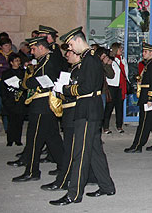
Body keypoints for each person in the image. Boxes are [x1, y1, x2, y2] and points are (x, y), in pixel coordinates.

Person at [49, 27, 115, 205]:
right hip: (89, 109)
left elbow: (86, 87)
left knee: (81, 153)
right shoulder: (89, 59)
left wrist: (65, 89)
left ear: (78, 40)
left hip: (87, 110)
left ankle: (74, 194)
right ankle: (107, 186)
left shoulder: (90, 60)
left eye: (70, 44)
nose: (70, 48)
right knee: (94, 151)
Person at [11, 36, 64, 183]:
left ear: (41, 47)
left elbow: (47, 79)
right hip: (42, 104)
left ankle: (32, 171)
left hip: (42, 104)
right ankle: (64, 165)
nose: (32, 52)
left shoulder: (49, 59)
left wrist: (26, 83)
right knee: (52, 138)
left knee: (34, 138)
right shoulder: (43, 60)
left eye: (34, 49)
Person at [40, 45, 80, 192]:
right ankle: (95, 178)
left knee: (70, 149)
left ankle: (63, 180)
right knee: (90, 150)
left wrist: (61, 90)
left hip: (74, 113)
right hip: (69, 113)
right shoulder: (73, 69)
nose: (67, 54)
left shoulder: (79, 70)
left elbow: (76, 92)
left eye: (69, 51)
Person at [124, 42, 152, 153]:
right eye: (143, 51)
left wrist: (150, 98)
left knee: (144, 122)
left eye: (145, 52)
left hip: (148, 98)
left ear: (151, 53)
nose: (143, 53)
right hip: (145, 95)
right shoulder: (149, 64)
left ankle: (137, 145)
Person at [0, 53, 26, 146]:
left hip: (20, 100)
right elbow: (3, 88)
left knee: (19, 121)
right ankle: (10, 139)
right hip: (10, 100)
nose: (18, 63)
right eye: (16, 61)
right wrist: (5, 100)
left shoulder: (23, 73)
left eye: (19, 61)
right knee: (11, 121)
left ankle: (18, 139)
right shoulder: (6, 74)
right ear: (11, 62)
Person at [103, 43, 128, 134]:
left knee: (119, 107)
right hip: (112, 86)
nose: (121, 50)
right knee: (109, 107)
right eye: (120, 48)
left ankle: (119, 126)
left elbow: (125, 72)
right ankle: (105, 126)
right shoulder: (112, 60)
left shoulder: (123, 59)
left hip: (121, 86)